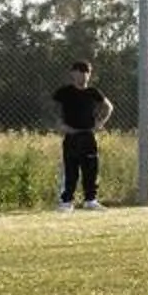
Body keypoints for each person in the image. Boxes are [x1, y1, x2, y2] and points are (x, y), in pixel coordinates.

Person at [50, 59, 114, 211]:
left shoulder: (93, 93)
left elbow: (109, 107)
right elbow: (50, 108)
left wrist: (100, 123)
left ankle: (90, 200)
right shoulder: (64, 92)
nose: (83, 75)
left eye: (86, 72)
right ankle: (66, 202)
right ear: (73, 73)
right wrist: (59, 124)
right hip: (72, 136)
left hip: (88, 136)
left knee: (91, 168)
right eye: (79, 72)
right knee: (71, 169)